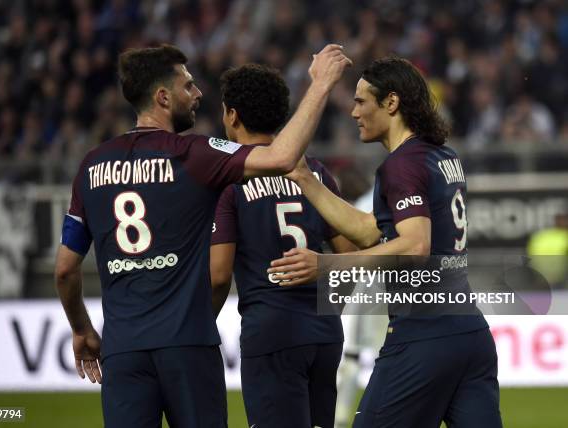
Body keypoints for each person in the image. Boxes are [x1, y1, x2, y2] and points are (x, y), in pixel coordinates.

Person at [54, 43, 351, 428]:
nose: (197, 95)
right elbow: (280, 159)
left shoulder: (91, 166)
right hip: (190, 345)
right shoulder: (196, 154)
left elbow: (64, 270)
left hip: (124, 349)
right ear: (163, 96)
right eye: (188, 86)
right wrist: (321, 84)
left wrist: (81, 330)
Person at [269, 56, 502, 428]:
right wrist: (305, 180)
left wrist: (325, 265)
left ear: (391, 103)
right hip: (470, 336)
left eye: (361, 101)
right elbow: (371, 232)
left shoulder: (401, 165)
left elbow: (413, 245)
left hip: (422, 338)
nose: (353, 111)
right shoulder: (441, 155)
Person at [209, 63, 357, 428]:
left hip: (271, 331)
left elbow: (218, 275)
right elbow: (353, 259)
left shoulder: (228, 180)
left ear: (232, 114)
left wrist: (198, 326)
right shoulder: (316, 172)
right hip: (324, 332)